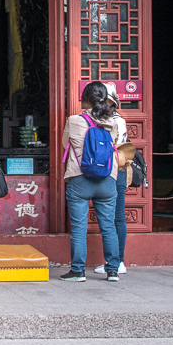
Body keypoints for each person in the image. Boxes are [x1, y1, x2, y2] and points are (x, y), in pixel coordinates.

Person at [60, 81, 122, 282]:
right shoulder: (112, 122)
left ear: (84, 98)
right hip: (106, 180)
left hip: (80, 178)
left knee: (79, 227)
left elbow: (64, 144)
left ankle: (78, 271)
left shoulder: (74, 120)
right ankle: (112, 270)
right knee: (109, 226)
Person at [94, 82, 131, 276]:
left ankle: (116, 262)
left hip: (110, 169)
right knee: (118, 216)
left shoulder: (107, 121)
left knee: (112, 217)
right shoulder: (120, 119)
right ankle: (118, 261)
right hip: (121, 168)